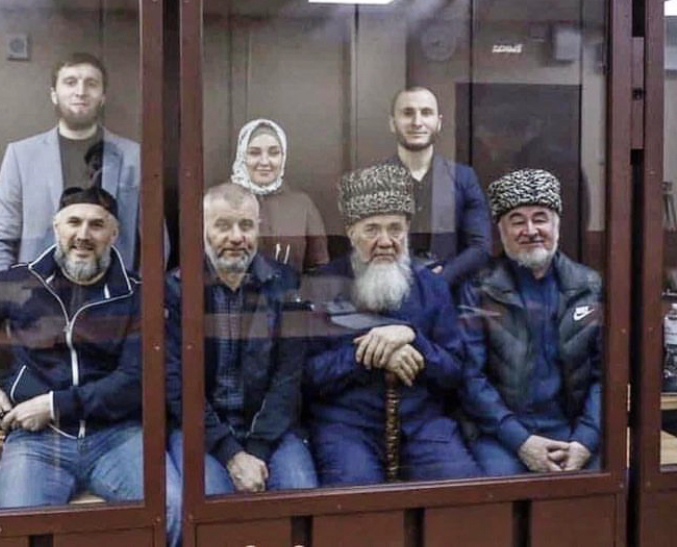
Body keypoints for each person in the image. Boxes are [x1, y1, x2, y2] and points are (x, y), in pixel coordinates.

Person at [0, 187, 178, 545]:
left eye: (97, 225)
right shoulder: (22, 281)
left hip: (117, 435)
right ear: (56, 227)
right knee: (14, 528)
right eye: (74, 222)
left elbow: (135, 380)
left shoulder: (137, 294)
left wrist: (54, 405)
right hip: (37, 440)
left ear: (114, 234)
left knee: (172, 510)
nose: (83, 235)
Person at [302, 163, 481, 485]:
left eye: (395, 228)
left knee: (459, 493)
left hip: (423, 424)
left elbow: (454, 371)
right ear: (351, 232)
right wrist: (371, 353)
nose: (385, 241)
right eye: (372, 229)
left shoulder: (432, 286)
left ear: (407, 230)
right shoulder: (322, 285)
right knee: (356, 500)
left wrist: (413, 338)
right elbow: (307, 376)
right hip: (346, 426)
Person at [165, 183, 317, 544]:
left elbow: (288, 378)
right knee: (213, 518)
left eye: (246, 226)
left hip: (270, 431)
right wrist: (232, 455)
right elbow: (176, 386)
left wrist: (257, 450)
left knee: (301, 506)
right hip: (201, 432)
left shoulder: (284, 283)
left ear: (258, 230)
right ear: (201, 230)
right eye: (223, 226)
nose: (236, 237)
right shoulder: (176, 289)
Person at [459, 169, 602, 476]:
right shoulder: (478, 288)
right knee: (502, 489)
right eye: (517, 221)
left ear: (557, 224)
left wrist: (585, 440)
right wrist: (521, 441)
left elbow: (606, 376)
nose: (531, 230)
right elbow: (470, 377)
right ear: (501, 230)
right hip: (500, 434)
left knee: (603, 486)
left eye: (540, 218)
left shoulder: (589, 287)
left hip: (574, 431)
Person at [0, 52, 142, 281]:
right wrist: (3, 293)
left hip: (114, 294)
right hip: (38, 292)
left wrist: (139, 293)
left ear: (103, 97)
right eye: (70, 82)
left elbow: (156, 238)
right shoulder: (21, 156)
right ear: (54, 95)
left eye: (91, 83)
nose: (80, 91)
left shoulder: (133, 156)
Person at [386, 86, 491, 288]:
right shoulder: (373, 180)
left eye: (426, 113)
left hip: (449, 292)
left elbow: (480, 247)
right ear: (392, 123)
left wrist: (438, 280)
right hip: (389, 290)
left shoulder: (464, 178)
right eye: (407, 113)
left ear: (439, 122)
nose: (417, 122)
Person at [231, 118, 328, 274]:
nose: (264, 161)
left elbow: (319, 268)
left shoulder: (301, 205)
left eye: (274, 153)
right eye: (254, 153)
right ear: (242, 156)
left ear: (283, 157)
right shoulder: (223, 201)